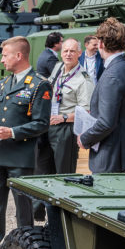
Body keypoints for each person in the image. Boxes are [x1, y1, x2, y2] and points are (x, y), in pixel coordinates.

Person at [0, 36, 52, 249]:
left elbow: (41, 123)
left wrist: (13, 132)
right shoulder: (4, 83)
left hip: (21, 156)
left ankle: (25, 247)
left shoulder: (39, 85)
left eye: (5, 55)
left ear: (19, 56)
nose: (2, 60)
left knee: (23, 207)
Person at [78, 18, 125, 174]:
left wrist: (84, 139)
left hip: (109, 157)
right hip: (124, 153)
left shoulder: (112, 74)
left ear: (101, 43)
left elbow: (106, 122)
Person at [36, 38, 94, 176]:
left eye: (72, 51)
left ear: (79, 53)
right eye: (65, 51)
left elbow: (85, 112)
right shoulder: (58, 68)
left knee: (63, 172)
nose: (68, 54)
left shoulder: (84, 79)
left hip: (65, 129)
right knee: (41, 169)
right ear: (61, 53)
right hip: (48, 125)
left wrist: (63, 117)